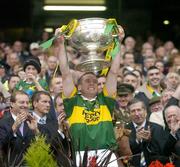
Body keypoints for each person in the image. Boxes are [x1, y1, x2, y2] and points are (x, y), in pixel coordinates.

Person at [55, 28, 122, 166]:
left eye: (94, 81)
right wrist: (61, 44)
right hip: (81, 154)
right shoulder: (73, 102)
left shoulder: (105, 100)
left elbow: (114, 72)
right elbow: (66, 73)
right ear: (78, 87)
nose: (92, 83)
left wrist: (118, 41)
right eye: (87, 80)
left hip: (107, 153)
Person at [126, 98, 169, 167]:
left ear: (145, 111)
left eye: (139, 110)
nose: (137, 114)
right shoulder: (124, 130)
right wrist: (137, 141)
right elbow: (126, 155)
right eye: (133, 111)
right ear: (129, 114)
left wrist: (149, 140)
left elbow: (164, 152)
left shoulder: (157, 128)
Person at [0, 91, 39, 166]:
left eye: (27, 103)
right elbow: (2, 145)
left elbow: (43, 145)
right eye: (22, 102)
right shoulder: (2, 123)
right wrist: (14, 128)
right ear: (12, 104)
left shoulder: (32, 121)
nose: (25, 105)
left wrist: (35, 130)